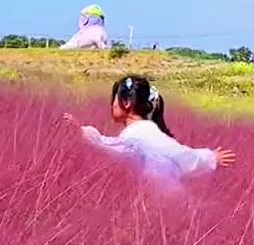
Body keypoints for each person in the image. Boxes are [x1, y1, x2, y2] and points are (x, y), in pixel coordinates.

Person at [74, 74, 235, 185]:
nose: (112, 105)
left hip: (167, 206)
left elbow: (181, 155)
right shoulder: (142, 132)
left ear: (127, 102)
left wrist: (209, 158)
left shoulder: (142, 134)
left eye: (114, 99)